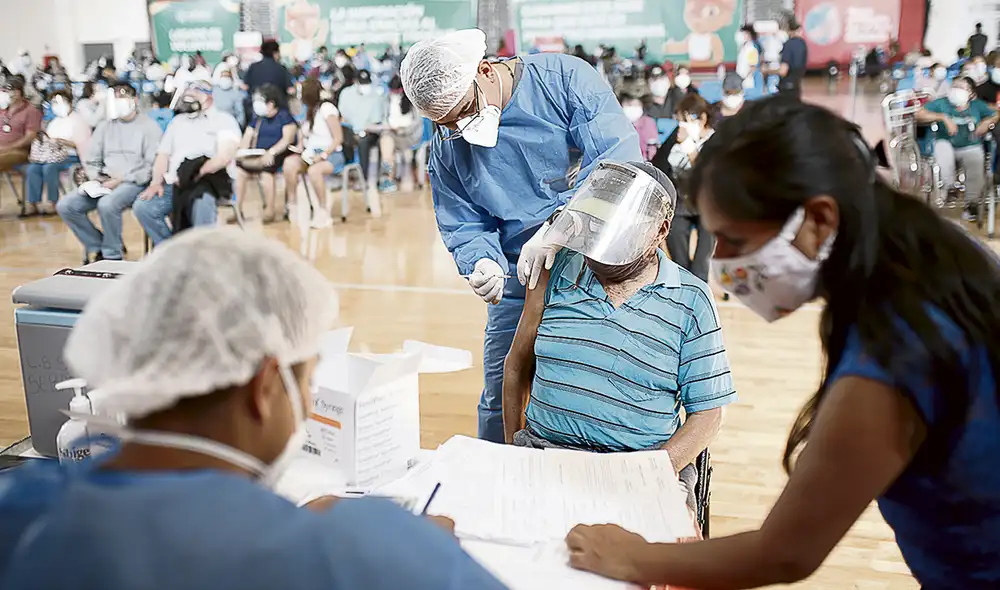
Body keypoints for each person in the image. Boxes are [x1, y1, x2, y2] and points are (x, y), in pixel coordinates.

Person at [565, 95, 1000, 590]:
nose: (721, 262)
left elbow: (787, 553)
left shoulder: (896, 353)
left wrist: (632, 557)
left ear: (818, 219)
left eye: (735, 241)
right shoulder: (935, 257)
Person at [0, 227, 509, 590]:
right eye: (306, 382)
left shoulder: (22, 508)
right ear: (265, 388)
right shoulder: (373, 555)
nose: (306, 402)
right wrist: (413, 548)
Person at [400, 28, 643, 443]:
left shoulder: (564, 81)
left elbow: (617, 163)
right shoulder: (448, 143)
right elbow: (462, 218)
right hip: (520, 274)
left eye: (465, 110)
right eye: (447, 124)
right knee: (502, 394)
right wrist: (481, 259)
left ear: (484, 70)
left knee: (599, 391)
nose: (461, 128)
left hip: (598, 264)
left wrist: (560, 226)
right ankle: (500, 474)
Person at [502, 160, 735, 512]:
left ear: (661, 231)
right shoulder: (557, 267)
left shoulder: (691, 299)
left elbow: (708, 415)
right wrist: (513, 451)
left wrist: (651, 473)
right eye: (596, 229)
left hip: (640, 465)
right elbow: (517, 366)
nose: (599, 249)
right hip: (544, 454)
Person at [57, 84, 161, 261]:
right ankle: (98, 245)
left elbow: (151, 166)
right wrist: (96, 177)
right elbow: (92, 159)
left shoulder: (149, 127)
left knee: (107, 204)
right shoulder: (104, 126)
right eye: (116, 99)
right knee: (66, 206)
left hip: (133, 181)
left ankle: (112, 255)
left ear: (135, 100)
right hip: (104, 180)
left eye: (123, 97)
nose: (119, 102)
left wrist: (121, 180)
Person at [133, 79, 241, 245]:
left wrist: (192, 175)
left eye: (195, 94)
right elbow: (163, 154)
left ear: (208, 96)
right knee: (143, 207)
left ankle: (200, 253)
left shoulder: (224, 120)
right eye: (187, 94)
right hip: (174, 183)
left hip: (207, 182)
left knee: (201, 204)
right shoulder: (178, 122)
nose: (189, 98)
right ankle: (171, 249)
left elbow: (223, 157)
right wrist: (156, 183)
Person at [916, 76, 997, 212]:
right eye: (954, 86)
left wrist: (987, 122)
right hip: (946, 142)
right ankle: (950, 188)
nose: (956, 90)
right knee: (942, 150)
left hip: (971, 145)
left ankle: (972, 202)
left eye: (961, 87)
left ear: (971, 93)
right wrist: (942, 117)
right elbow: (919, 114)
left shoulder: (977, 106)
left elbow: (996, 113)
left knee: (976, 160)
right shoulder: (941, 103)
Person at [661, 93, 716, 282]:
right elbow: (659, 164)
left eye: (687, 120)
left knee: (701, 263)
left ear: (702, 118)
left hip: (707, 204)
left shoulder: (716, 140)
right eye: (680, 120)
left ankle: (701, 291)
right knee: (679, 261)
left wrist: (689, 147)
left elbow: (707, 174)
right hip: (681, 202)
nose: (682, 125)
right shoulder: (676, 136)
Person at [22, 89, 90, 216]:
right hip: (52, 155)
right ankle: (32, 203)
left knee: (49, 168)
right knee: (33, 168)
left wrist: (63, 142)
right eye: (54, 102)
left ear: (70, 102)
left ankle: (52, 202)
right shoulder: (54, 122)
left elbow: (84, 145)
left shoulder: (79, 121)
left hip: (72, 155)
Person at [235, 84, 297, 223]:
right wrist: (242, 151)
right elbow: (247, 136)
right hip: (257, 155)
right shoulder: (258, 119)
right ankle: (237, 210)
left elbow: (287, 139)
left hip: (277, 155)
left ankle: (269, 210)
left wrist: (272, 152)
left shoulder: (284, 117)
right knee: (239, 171)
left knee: (266, 171)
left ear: (271, 103)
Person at [283, 78, 344, 217]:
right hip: (310, 153)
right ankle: (292, 205)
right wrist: (300, 145)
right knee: (289, 164)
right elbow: (306, 133)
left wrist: (323, 155)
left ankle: (322, 211)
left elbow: (338, 138)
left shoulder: (327, 109)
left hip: (331, 154)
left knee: (314, 171)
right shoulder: (310, 110)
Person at [337, 69, 388, 187]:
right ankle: (347, 173)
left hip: (369, 132)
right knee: (343, 137)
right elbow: (342, 116)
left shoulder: (377, 95)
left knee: (364, 142)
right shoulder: (346, 94)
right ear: (356, 82)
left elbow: (377, 120)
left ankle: (363, 178)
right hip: (350, 131)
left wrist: (365, 130)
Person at [381, 75, 424, 192]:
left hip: (409, 135)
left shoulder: (412, 100)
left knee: (389, 142)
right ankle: (388, 178)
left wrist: (402, 130)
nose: (394, 93)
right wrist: (389, 127)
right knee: (386, 139)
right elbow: (384, 118)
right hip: (392, 133)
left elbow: (417, 123)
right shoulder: (387, 99)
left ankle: (389, 174)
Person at [0, 76, 42, 174]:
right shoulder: (2, 110)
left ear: (17, 93)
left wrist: (9, 147)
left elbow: (30, 137)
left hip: (18, 151)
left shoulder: (31, 111)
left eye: (6, 91)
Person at [244, 40, 293, 108]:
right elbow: (290, 89)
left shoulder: (253, 67)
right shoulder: (281, 69)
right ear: (275, 53)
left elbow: (245, 86)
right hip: (277, 107)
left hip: (256, 106)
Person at [620, 93, 659, 160]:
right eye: (628, 104)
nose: (632, 108)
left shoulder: (648, 123)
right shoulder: (616, 123)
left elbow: (652, 149)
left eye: (636, 105)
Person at [777, 20, 808, 99]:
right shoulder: (803, 44)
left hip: (786, 86)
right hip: (797, 85)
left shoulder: (788, 45)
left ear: (788, 30)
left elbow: (783, 71)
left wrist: (767, 71)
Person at [735, 24, 763, 92]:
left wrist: (743, 78)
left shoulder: (751, 48)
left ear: (748, 34)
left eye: (743, 34)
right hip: (741, 81)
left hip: (747, 82)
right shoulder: (744, 47)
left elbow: (753, 66)